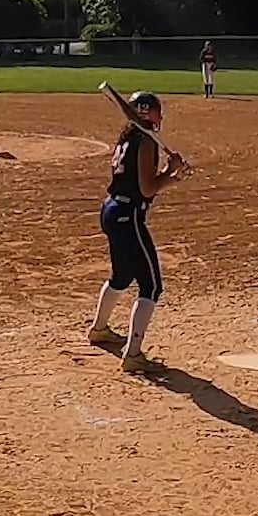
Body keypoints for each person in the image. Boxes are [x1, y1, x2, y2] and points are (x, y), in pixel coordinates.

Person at [87, 92, 190, 374]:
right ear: (152, 114)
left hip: (112, 210)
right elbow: (147, 188)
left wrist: (170, 173)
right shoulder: (146, 141)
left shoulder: (129, 137)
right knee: (151, 286)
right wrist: (171, 174)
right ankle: (132, 354)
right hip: (128, 215)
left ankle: (99, 329)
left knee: (121, 276)